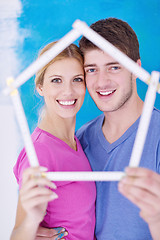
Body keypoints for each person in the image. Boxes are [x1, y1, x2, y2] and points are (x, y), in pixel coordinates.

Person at [36, 18, 160, 240]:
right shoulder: (81, 140)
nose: (102, 82)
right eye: (91, 70)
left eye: (114, 67)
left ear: (136, 69)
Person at [11, 42, 96, 240]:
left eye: (77, 79)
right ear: (40, 87)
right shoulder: (40, 152)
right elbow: (17, 235)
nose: (68, 91)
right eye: (56, 80)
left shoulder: (78, 141)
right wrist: (32, 223)